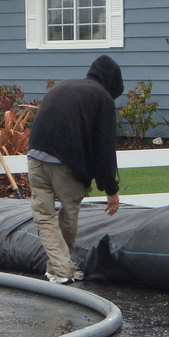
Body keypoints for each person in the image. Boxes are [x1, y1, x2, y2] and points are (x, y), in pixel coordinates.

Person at [26, 55, 123, 284]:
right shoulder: (102, 99)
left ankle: (57, 268)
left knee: (44, 215)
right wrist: (111, 189)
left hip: (35, 154)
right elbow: (104, 149)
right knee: (69, 212)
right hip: (64, 161)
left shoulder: (64, 87)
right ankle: (63, 270)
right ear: (112, 82)